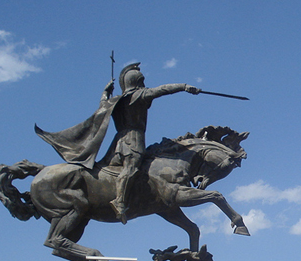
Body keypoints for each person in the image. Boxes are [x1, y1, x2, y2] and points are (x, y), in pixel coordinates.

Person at [35, 62, 202, 223]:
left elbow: (102, 105)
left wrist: (105, 93)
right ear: (138, 82)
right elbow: (161, 90)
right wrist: (184, 86)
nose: (145, 84)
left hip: (118, 142)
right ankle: (119, 201)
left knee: (111, 169)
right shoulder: (137, 95)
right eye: (142, 81)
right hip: (133, 140)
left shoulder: (115, 101)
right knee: (132, 168)